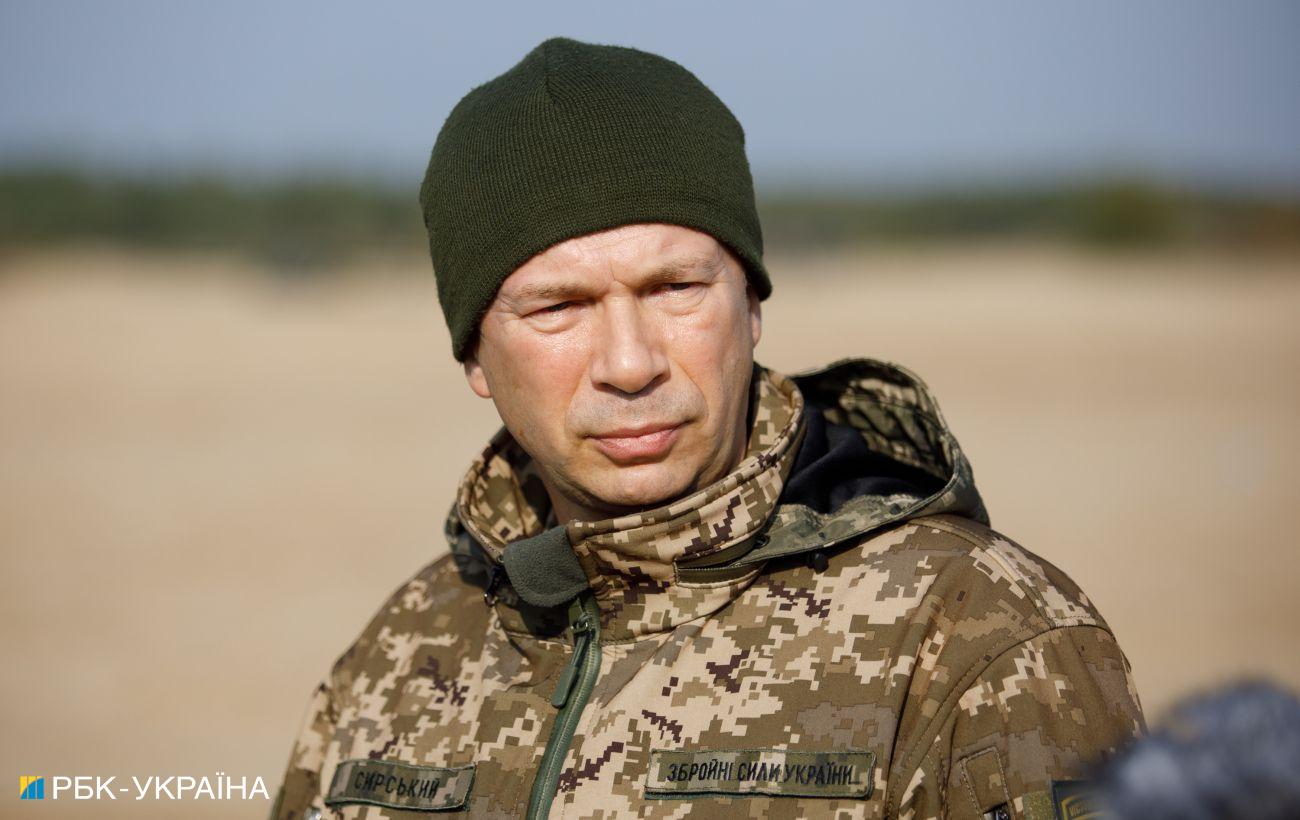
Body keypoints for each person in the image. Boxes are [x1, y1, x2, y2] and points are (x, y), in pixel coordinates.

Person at [271, 37, 1144, 820]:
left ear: (751, 305)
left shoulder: (975, 634)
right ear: (474, 356)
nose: (629, 363)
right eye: (557, 307)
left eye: (675, 289)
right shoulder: (404, 649)